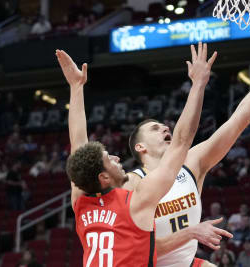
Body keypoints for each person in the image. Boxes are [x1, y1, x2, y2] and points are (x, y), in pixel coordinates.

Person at [124, 41, 250, 267]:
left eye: (164, 126)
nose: (165, 128)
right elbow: (136, 249)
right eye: (155, 129)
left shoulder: (191, 164)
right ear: (140, 147)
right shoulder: (130, 184)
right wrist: (190, 233)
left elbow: (240, 119)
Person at [57, 44, 223, 266]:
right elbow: (182, 141)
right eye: (109, 159)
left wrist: (76, 88)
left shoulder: (80, 200)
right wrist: (198, 85)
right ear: (103, 178)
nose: (117, 158)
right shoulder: (135, 200)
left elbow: (78, 145)